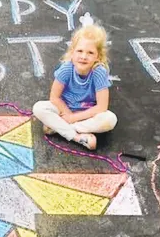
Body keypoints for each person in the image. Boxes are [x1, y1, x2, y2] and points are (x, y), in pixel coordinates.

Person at [33, 21, 117, 151]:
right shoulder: (66, 69)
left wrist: (72, 119)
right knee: (39, 107)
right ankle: (77, 137)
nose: (83, 56)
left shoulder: (99, 72)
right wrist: (68, 114)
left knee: (110, 119)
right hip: (64, 110)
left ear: (98, 56)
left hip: (86, 114)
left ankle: (58, 128)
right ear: (72, 52)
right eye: (80, 51)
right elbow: (54, 98)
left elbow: (101, 106)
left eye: (90, 53)